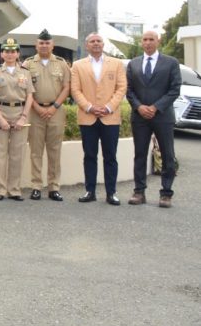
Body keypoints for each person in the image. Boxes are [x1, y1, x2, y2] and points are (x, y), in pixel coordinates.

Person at [126, 30, 181, 208]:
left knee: (168, 155)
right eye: (145, 39)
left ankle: (166, 193)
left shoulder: (171, 63)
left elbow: (174, 89)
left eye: (151, 39)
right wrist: (139, 107)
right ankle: (139, 191)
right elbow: (129, 90)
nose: (148, 42)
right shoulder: (133, 64)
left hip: (163, 116)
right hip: (140, 116)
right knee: (140, 155)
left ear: (158, 41)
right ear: (141, 42)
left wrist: (156, 107)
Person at [70, 32, 127, 205]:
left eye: (99, 41)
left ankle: (111, 193)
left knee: (110, 156)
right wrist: (89, 107)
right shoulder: (78, 65)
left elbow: (121, 87)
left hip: (110, 117)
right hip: (88, 117)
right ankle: (90, 191)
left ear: (103, 44)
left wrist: (108, 107)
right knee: (89, 155)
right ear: (86, 45)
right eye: (92, 41)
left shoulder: (116, 64)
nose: (96, 44)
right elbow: (75, 90)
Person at [22, 29, 70, 201]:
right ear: (36, 45)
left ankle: (54, 187)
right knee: (35, 151)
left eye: (47, 43)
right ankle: (36, 186)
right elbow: (25, 89)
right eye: (41, 43)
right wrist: (37, 107)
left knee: (54, 151)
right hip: (35, 112)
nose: (44, 45)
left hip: (56, 111)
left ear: (52, 45)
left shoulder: (61, 63)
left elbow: (66, 87)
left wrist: (54, 106)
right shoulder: (27, 64)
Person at [0, 38, 34, 201]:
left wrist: (23, 117)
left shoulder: (25, 72)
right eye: (6, 51)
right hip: (1, 112)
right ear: (1, 54)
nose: (10, 54)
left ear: (18, 54)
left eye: (13, 51)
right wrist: (0, 118)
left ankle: (14, 189)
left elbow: (30, 96)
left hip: (20, 113)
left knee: (17, 154)